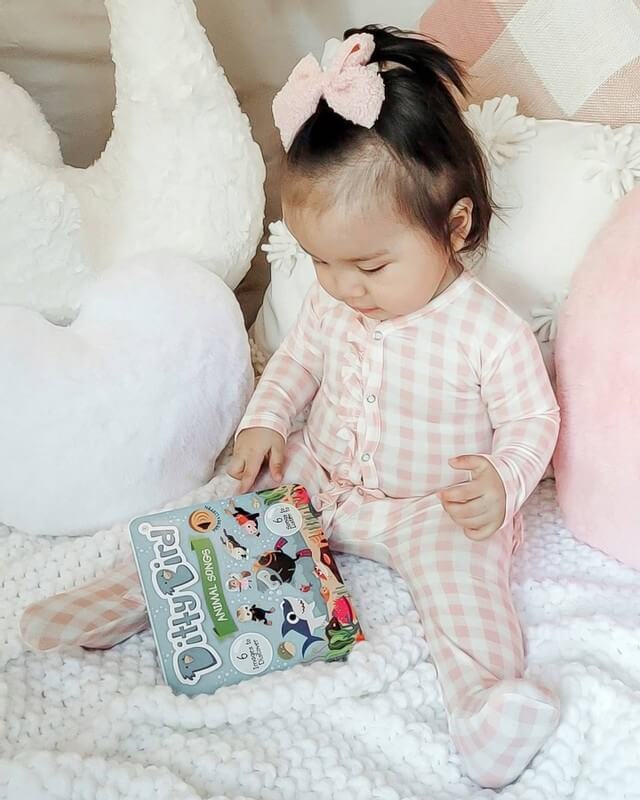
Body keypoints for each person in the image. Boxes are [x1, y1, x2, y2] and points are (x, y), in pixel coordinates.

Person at [229, 26, 561, 788]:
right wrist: (266, 421)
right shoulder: (334, 303)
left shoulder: (486, 328)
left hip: (428, 506)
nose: (344, 286)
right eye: (320, 261)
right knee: (234, 509)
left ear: (456, 226)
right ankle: (125, 598)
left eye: (370, 264)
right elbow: (296, 362)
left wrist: (502, 481)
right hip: (323, 477)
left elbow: (533, 421)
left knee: (468, 583)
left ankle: (484, 707)